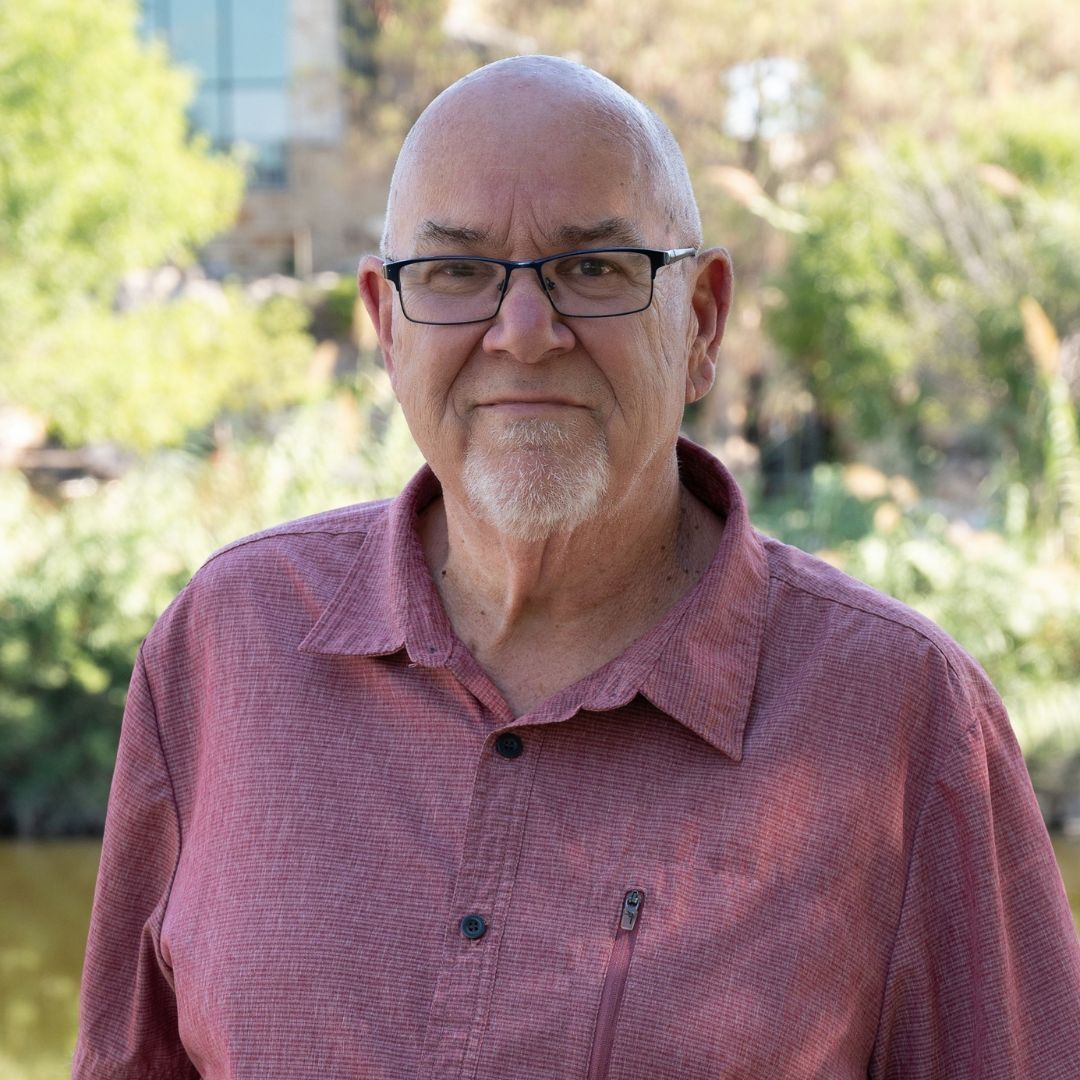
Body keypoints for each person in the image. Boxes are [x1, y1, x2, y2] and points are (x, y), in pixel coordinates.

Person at [74, 55, 1079, 1080]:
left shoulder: (902, 717)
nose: (524, 333)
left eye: (594, 269)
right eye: (456, 272)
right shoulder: (222, 646)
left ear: (701, 322)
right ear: (385, 325)